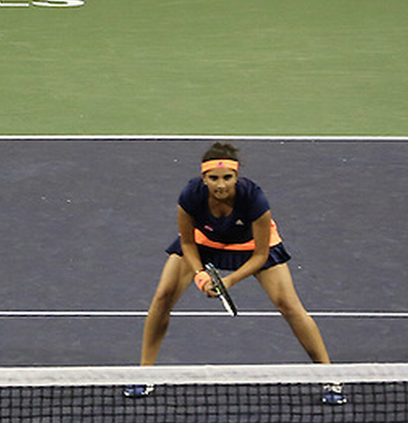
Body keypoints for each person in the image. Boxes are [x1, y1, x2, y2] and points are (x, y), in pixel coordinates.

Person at [126, 142, 345, 405]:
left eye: (227, 178)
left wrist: (229, 280)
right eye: (213, 178)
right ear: (203, 177)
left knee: (288, 304)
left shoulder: (254, 198)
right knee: (163, 296)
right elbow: (186, 243)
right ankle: (144, 372)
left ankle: (330, 376)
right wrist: (200, 275)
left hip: (251, 245)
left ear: (237, 177)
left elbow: (261, 256)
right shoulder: (190, 195)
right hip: (204, 242)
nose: (221, 185)